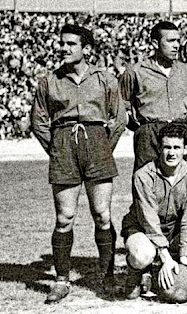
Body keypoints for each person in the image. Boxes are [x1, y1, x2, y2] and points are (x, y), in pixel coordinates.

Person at [30, 24, 126, 304]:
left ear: (86, 48)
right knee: (65, 218)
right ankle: (61, 280)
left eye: (71, 44)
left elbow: (119, 119)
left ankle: (107, 276)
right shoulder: (50, 81)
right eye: (62, 43)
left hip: (97, 143)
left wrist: (104, 148)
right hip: (63, 144)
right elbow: (38, 121)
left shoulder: (105, 79)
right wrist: (57, 150)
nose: (64, 48)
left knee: (102, 214)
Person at [121, 123, 187, 300]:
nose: (171, 153)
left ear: (186, 149)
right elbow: (148, 218)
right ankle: (136, 272)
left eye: (176, 147)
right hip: (142, 227)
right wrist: (165, 255)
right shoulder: (143, 175)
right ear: (159, 148)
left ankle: (161, 270)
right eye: (167, 147)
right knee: (143, 254)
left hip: (173, 229)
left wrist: (185, 255)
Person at [120, 21, 187, 171]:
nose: (176, 45)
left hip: (181, 131)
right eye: (170, 41)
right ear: (155, 43)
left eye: (178, 40)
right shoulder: (136, 71)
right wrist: (140, 128)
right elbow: (121, 104)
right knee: (146, 182)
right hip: (149, 134)